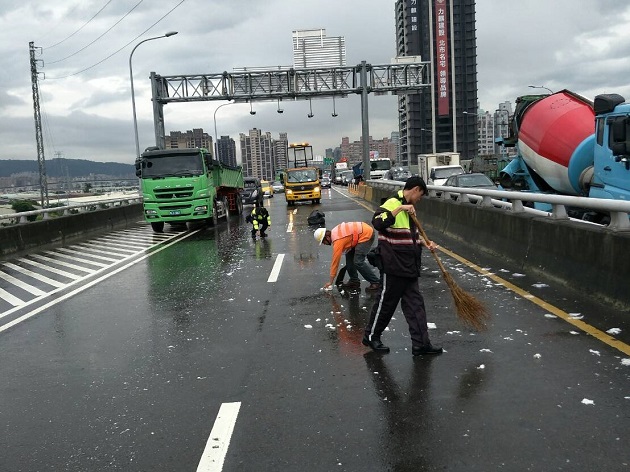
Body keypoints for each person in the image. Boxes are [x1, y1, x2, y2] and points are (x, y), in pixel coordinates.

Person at [363, 176, 443, 356]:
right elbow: (377, 222)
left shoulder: (411, 211)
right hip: (393, 265)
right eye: (420, 195)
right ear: (415, 189)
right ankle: (371, 336)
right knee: (386, 305)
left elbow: (409, 237)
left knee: (416, 306)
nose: (420, 199)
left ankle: (421, 344)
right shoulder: (393, 203)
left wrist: (424, 243)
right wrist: (399, 208)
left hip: (409, 267)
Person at [314, 222, 381, 292]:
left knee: (358, 262)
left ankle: (375, 282)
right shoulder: (334, 232)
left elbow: (335, 262)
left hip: (366, 235)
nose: (324, 244)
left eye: (323, 242)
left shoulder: (337, 241)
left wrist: (330, 281)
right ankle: (354, 281)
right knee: (349, 256)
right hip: (361, 233)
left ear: (327, 237)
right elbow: (348, 237)